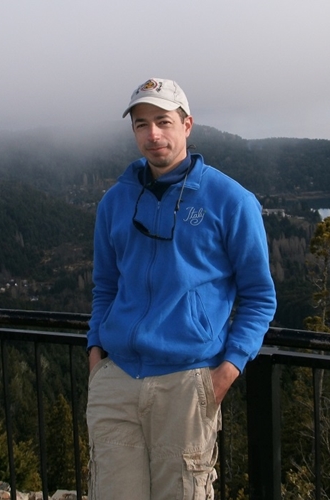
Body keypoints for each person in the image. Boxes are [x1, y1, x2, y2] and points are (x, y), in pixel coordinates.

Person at [86, 78, 276, 499]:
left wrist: (227, 370)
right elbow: (105, 287)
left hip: (187, 382)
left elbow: (259, 296)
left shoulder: (230, 200)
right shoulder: (115, 201)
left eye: (163, 121)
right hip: (117, 380)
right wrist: (95, 352)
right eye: (141, 124)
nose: (153, 134)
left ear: (187, 125)